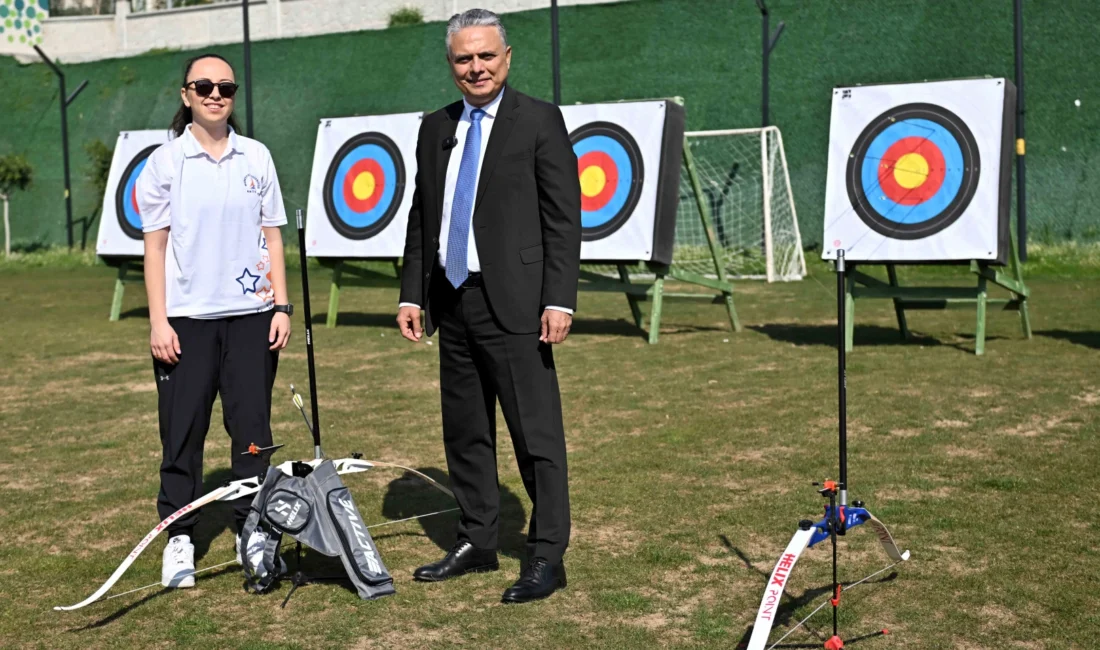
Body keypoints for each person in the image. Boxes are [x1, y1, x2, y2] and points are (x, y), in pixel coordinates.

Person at [396, 8, 582, 604]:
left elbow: (563, 219)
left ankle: (546, 554)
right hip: (451, 303)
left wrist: (559, 299)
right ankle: (477, 538)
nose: (475, 67)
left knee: (536, 437)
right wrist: (410, 292)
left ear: (507, 57)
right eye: (463, 58)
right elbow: (422, 216)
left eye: (485, 56)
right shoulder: (435, 126)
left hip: (521, 307)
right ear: (451, 65)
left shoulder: (540, 120)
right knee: (466, 433)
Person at [136, 52, 293, 588]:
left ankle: (254, 529)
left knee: (252, 433)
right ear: (186, 95)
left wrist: (282, 305)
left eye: (225, 86)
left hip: (252, 320)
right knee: (182, 434)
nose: (215, 93)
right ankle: (179, 535)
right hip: (187, 322)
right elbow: (153, 249)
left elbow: (272, 234)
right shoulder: (165, 162)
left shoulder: (257, 156)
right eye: (203, 85)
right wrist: (159, 322)